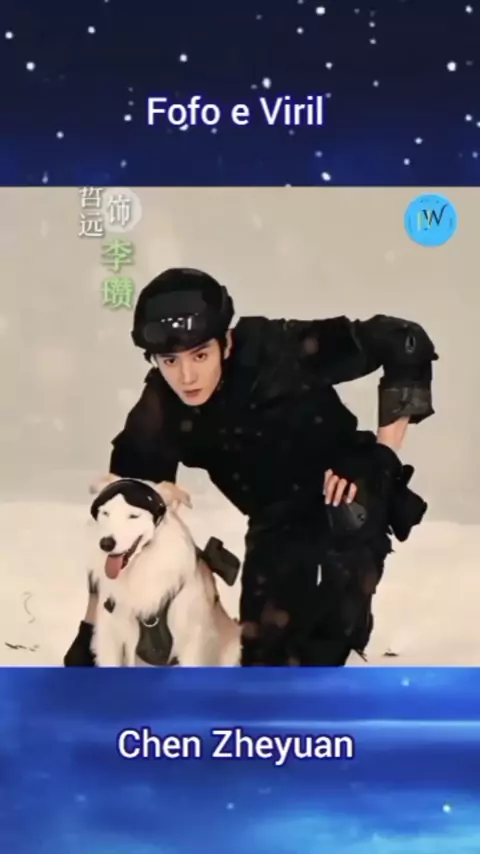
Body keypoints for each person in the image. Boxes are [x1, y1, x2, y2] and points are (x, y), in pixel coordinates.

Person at [65, 267, 437, 667]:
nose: (187, 376)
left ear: (226, 342)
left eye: (200, 355)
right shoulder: (159, 410)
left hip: (346, 481)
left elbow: (405, 340)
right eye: (170, 360)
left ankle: (345, 622)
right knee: (264, 660)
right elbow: (122, 522)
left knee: (326, 629)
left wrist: (383, 456)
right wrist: (90, 632)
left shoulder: (279, 350)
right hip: (275, 519)